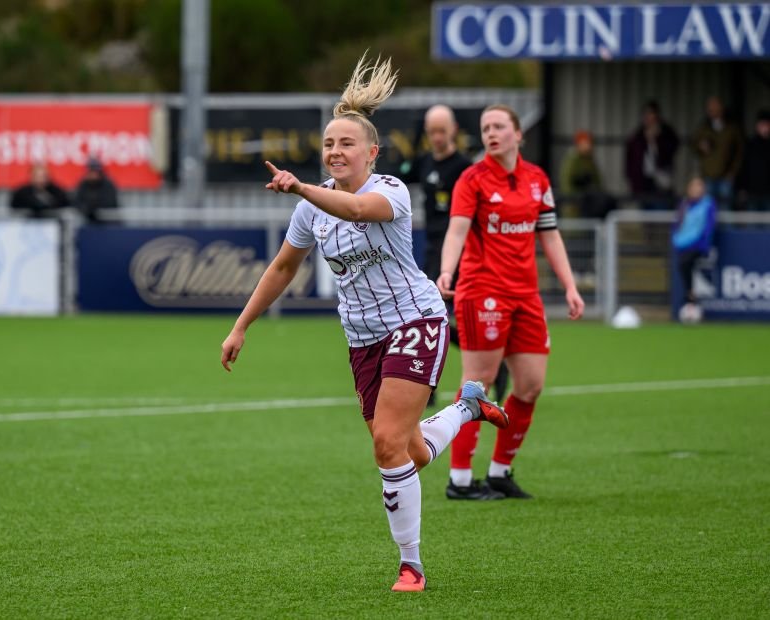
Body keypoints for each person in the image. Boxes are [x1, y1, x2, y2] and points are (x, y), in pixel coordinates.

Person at [220, 54, 510, 593]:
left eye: (346, 143)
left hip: (416, 320)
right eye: (329, 144)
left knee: (384, 446)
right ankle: (467, 406)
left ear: (371, 152)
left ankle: (412, 565)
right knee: (407, 451)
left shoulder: (391, 190)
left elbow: (356, 212)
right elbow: (283, 266)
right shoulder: (309, 209)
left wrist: (301, 188)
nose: (335, 151)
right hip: (362, 340)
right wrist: (241, 327)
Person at [437, 104, 585, 501]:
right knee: (478, 384)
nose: (491, 133)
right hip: (483, 290)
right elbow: (456, 231)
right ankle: (461, 480)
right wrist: (447, 271)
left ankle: (500, 472)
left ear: (518, 134)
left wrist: (570, 286)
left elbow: (550, 236)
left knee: (531, 385)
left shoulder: (537, 179)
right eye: (485, 128)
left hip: (526, 295)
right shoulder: (472, 179)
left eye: (499, 126)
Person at [400, 105, 509, 412]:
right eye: (431, 131)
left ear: (454, 131)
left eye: (441, 131)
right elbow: (400, 173)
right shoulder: (421, 163)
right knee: (431, 321)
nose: (436, 137)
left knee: (443, 320)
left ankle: (491, 367)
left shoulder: (463, 167)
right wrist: (412, 138)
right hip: (432, 249)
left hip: (460, 251)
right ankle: (434, 386)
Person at [672, 176, 717, 321]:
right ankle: (690, 298)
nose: (696, 189)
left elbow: (709, 226)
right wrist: (675, 238)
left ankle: (690, 296)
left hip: (698, 245)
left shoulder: (708, 204)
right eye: (694, 186)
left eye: (699, 186)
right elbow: (678, 223)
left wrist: (704, 244)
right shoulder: (684, 204)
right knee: (683, 265)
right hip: (683, 244)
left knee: (685, 263)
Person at [625, 100, 680, 211]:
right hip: (643, 183)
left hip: (661, 182)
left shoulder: (666, 132)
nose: (649, 118)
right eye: (646, 114)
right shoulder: (637, 136)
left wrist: (656, 139)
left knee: (661, 212)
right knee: (645, 215)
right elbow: (630, 161)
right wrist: (632, 180)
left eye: (651, 114)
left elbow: (671, 149)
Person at [691, 96, 744, 210]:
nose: (712, 110)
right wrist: (700, 147)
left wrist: (733, 172)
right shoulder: (703, 127)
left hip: (726, 176)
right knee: (708, 209)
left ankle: (727, 229)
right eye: (710, 107)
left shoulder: (731, 128)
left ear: (721, 108)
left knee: (726, 208)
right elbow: (693, 145)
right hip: (708, 176)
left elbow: (740, 152)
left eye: (715, 107)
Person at [559, 129, 615, 218]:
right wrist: (574, 198)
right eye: (585, 143)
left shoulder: (590, 160)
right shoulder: (572, 160)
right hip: (574, 207)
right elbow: (566, 182)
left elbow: (597, 181)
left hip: (588, 206)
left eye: (589, 143)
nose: (588, 146)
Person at [737, 109, 770, 212]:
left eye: (767, 125)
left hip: (768, 193)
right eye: (762, 124)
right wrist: (742, 188)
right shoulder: (750, 144)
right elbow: (744, 167)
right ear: (757, 126)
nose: (764, 128)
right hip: (752, 192)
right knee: (752, 224)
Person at [74, 157, 119, 223]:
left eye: (94, 171)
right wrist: (86, 209)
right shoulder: (83, 184)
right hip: (87, 221)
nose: (92, 174)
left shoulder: (107, 184)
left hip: (107, 222)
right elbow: (77, 202)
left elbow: (110, 203)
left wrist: (93, 207)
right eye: (90, 171)